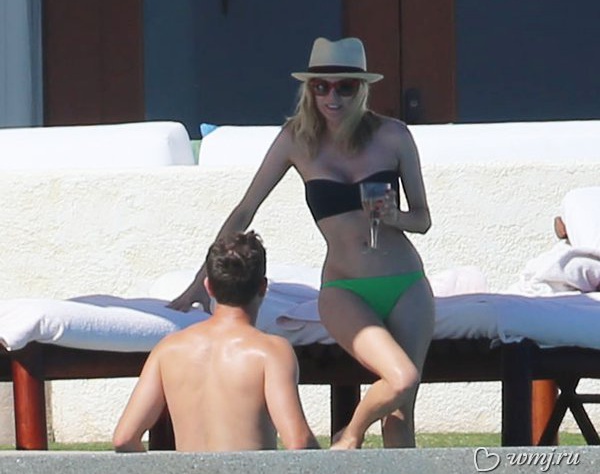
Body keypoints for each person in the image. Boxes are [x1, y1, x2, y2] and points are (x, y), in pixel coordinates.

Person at [169, 37, 434, 449]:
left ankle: (358, 440)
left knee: (400, 415)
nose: (332, 97)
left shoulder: (393, 136)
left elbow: (423, 219)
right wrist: (200, 281)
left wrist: (394, 217)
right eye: (321, 86)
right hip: (345, 288)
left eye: (345, 87)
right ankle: (350, 435)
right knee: (402, 378)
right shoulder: (297, 139)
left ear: (362, 89)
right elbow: (245, 210)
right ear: (309, 89)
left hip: (407, 283)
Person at [114, 231, 319, 452]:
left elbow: (124, 438)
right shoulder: (270, 352)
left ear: (208, 287)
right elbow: (298, 442)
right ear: (262, 287)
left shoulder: (168, 349)